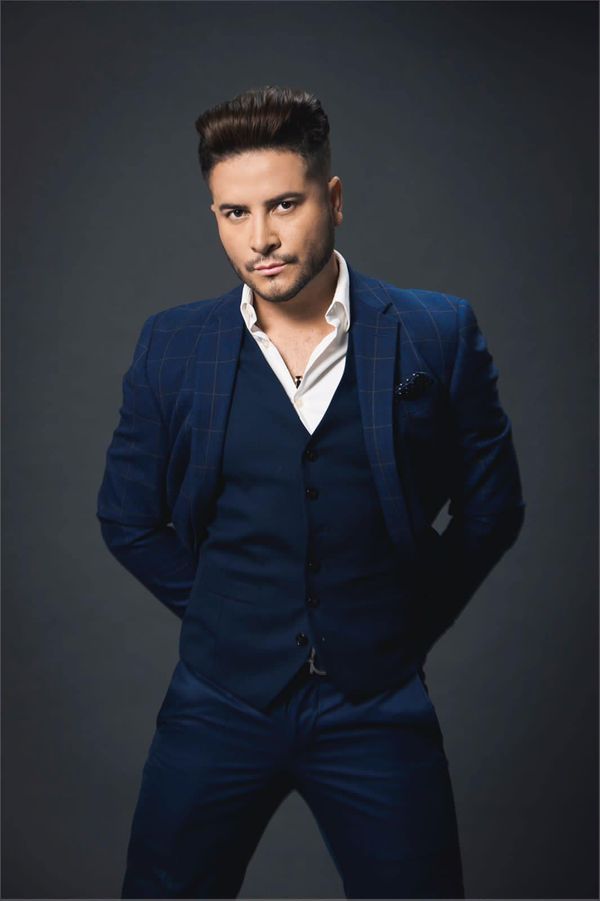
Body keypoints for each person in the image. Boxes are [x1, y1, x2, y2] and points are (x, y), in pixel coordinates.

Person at [97, 84, 525, 899]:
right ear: (215, 215)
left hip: (377, 704)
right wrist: (228, 610)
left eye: (283, 205)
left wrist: (403, 621)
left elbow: (493, 506)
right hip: (219, 701)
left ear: (333, 199)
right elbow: (126, 518)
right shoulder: (171, 346)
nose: (260, 238)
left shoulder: (437, 331)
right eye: (234, 213)